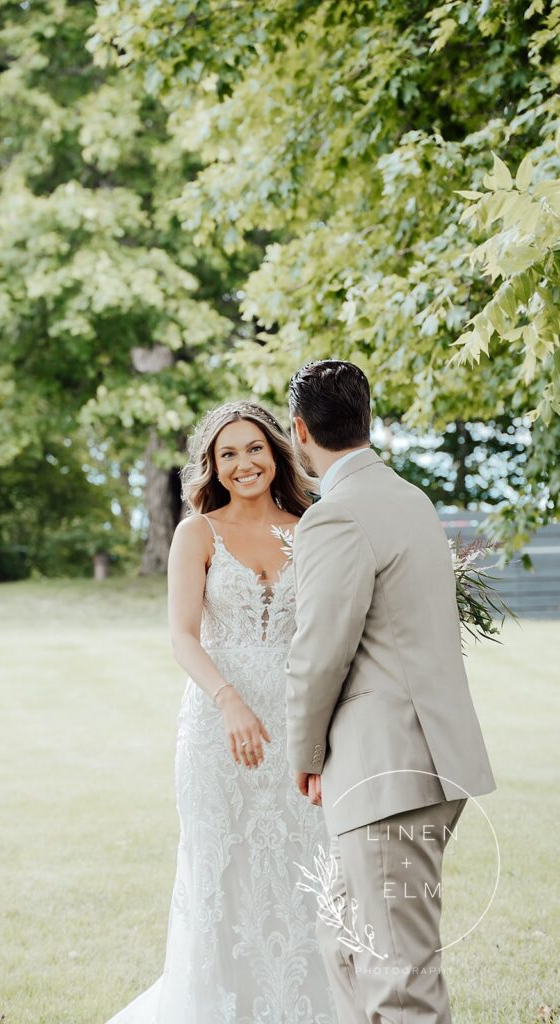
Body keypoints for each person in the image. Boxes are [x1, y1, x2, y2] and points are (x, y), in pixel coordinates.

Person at [106, 400, 337, 1023]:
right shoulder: (197, 533)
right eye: (227, 454)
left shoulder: (311, 526)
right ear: (211, 465)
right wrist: (229, 700)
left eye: (254, 448)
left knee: (299, 873)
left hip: (295, 728)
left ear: (277, 451)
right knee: (219, 873)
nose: (243, 464)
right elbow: (183, 635)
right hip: (217, 729)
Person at [285, 360, 496, 1024]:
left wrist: (305, 755)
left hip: (384, 774)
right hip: (426, 765)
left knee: (399, 983)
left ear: (298, 431)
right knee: (342, 939)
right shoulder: (411, 499)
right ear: (364, 419)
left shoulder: (337, 516)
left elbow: (318, 655)